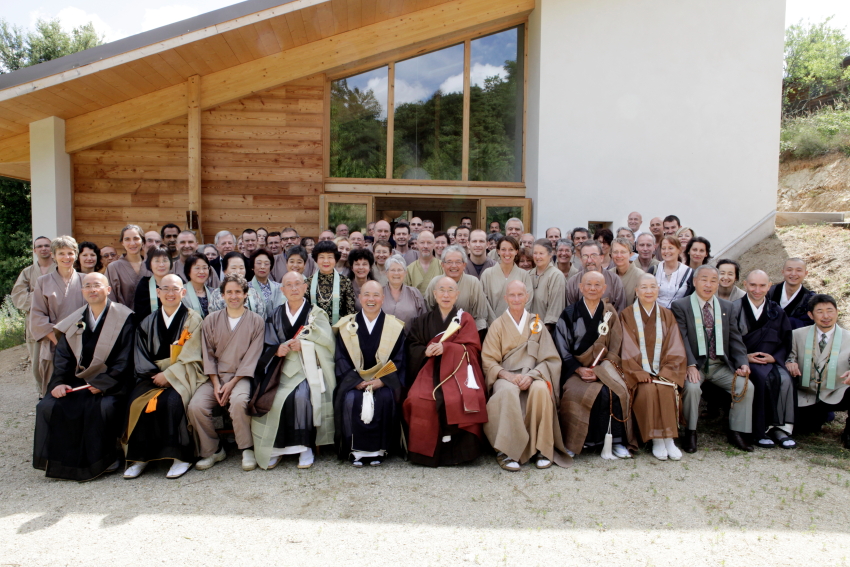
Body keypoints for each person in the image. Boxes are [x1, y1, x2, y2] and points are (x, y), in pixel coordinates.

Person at [33, 272, 135, 481]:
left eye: (97, 285)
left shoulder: (124, 317)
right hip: (77, 380)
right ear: (82, 291)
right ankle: (66, 460)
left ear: (108, 290)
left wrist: (104, 383)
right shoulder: (74, 320)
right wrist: (59, 382)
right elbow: (62, 356)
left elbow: (126, 358)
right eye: (87, 285)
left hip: (113, 381)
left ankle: (107, 457)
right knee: (49, 405)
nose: (91, 289)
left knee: (103, 406)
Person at [249, 271, 336, 470]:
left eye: (298, 284)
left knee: (301, 395)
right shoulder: (275, 314)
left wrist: (306, 346)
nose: (294, 288)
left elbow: (328, 344)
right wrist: (275, 350)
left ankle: (304, 447)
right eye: (289, 285)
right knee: (272, 397)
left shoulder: (316, 314)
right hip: (280, 368)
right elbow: (267, 343)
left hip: (308, 368)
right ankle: (275, 448)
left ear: (306, 287)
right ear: (283, 290)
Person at [123, 274, 206, 479]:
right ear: (158, 292)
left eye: (175, 289)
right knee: (136, 403)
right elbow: (140, 354)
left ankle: (180, 457)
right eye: (165, 289)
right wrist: (156, 375)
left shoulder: (193, 319)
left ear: (183, 293)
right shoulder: (148, 321)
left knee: (173, 401)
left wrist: (169, 375)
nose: (170, 293)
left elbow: (193, 354)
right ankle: (140, 457)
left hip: (185, 373)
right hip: (152, 375)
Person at [482, 280, 569, 470]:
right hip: (505, 376)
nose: (516, 299)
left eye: (520, 295)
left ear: (527, 297)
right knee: (507, 393)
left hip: (533, 374)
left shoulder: (536, 324)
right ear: (505, 298)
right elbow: (489, 360)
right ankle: (506, 451)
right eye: (512, 295)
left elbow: (550, 359)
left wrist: (533, 375)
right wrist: (508, 376)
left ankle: (542, 448)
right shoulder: (497, 325)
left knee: (540, 389)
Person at [404, 277, 488, 466]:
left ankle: (458, 453)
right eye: (441, 290)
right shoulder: (423, 320)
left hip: (457, 372)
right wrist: (424, 351)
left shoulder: (464, 319)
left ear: (457, 295)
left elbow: (472, 349)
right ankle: (426, 453)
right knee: (418, 398)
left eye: (451, 290)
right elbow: (411, 345)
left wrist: (448, 349)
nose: (446, 294)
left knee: (461, 397)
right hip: (429, 369)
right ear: (434, 294)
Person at [671, 265, 754, 453]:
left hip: (719, 364)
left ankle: (737, 432)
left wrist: (743, 363)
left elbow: (735, 338)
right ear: (695, 281)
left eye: (713, 280)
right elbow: (681, 339)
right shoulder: (681, 306)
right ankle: (690, 432)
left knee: (746, 386)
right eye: (704, 279)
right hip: (695, 365)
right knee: (691, 388)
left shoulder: (727, 307)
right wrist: (690, 364)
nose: (708, 285)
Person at [191, 274, 266, 472]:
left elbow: (252, 357)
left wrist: (231, 384)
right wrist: (216, 384)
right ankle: (212, 450)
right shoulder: (211, 320)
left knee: (239, 401)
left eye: (238, 292)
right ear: (222, 295)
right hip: (214, 376)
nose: (234, 296)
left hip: (240, 376)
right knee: (196, 406)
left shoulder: (256, 321)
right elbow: (207, 355)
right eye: (229, 292)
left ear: (245, 295)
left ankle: (246, 448)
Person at [556, 271, 633, 459]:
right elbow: (561, 346)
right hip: (576, 370)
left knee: (614, 392)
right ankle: (575, 442)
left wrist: (600, 371)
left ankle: (615, 442)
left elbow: (616, 346)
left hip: (604, 369)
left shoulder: (610, 314)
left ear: (604, 288)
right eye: (588, 284)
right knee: (575, 393)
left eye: (597, 285)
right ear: (580, 287)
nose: (592, 288)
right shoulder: (569, 313)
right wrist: (577, 368)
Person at [333, 281, 406, 466]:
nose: (371, 299)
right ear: (359, 298)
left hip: (383, 381)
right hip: (354, 381)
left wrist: (382, 381)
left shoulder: (394, 326)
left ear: (383, 298)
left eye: (375, 295)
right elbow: (341, 357)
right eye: (366, 294)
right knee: (351, 399)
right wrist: (355, 381)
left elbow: (399, 358)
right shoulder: (346, 325)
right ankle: (354, 450)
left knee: (385, 398)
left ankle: (380, 450)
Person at [619, 274, 687, 460]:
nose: (648, 291)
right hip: (639, 372)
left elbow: (675, 346)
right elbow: (626, 347)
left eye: (652, 287)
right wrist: (638, 371)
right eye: (644, 287)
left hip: (664, 370)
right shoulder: (626, 315)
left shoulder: (667, 314)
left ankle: (669, 439)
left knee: (664, 389)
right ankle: (657, 439)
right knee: (648, 390)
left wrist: (666, 372)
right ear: (637, 291)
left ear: (658, 290)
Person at [734, 270, 796, 449]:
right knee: (761, 379)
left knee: (785, 379)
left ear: (769, 286)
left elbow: (786, 340)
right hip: (745, 361)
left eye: (762, 285)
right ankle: (759, 431)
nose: (757, 289)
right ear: (745, 285)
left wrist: (774, 358)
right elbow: (727, 339)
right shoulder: (734, 308)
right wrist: (744, 357)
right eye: (753, 285)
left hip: (769, 359)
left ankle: (781, 429)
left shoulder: (776, 310)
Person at [786, 294, 850, 448]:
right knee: (806, 429)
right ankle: (817, 418)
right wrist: (790, 363)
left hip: (837, 392)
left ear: (837, 312)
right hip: (807, 394)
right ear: (811, 315)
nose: (826, 316)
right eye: (820, 311)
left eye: (830, 310)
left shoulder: (849, 337)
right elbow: (789, 357)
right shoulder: (797, 334)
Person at [30, 236, 86, 396]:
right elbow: (37, 316)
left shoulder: (85, 280)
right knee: (54, 390)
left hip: (82, 342)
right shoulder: (43, 282)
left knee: (79, 391)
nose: (66, 257)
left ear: (76, 255)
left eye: (70, 253)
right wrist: (59, 342)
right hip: (54, 344)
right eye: (61, 253)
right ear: (53, 255)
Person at [12, 236, 55, 395]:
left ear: (52, 249)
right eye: (40, 246)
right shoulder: (27, 272)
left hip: (57, 322)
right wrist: (42, 297)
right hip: (34, 324)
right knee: (37, 364)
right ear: (34, 250)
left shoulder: (59, 269)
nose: (43, 248)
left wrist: (36, 294)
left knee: (58, 361)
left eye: (47, 245)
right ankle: (42, 393)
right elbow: (18, 296)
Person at [424, 246, 491, 331]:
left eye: (458, 262)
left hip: (467, 331)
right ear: (443, 265)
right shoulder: (435, 282)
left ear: (464, 265)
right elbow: (428, 309)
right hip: (438, 331)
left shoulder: (473, 282)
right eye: (449, 262)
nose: (454, 266)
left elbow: (480, 316)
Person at [481, 235, 534, 323]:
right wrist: (494, 322)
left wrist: (516, 320)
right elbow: (483, 301)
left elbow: (528, 300)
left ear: (516, 251)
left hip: (517, 323)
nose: (507, 253)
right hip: (492, 325)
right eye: (503, 249)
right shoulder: (487, 274)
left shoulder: (524, 275)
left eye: (511, 249)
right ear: (498, 251)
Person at [565, 241, 626, 311]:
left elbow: (620, 310)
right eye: (585, 256)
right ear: (581, 259)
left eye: (594, 256)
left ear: (601, 258)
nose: (589, 260)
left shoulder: (614, 280)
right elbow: (570, 312)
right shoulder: (573, 282)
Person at [306, 240, 356, 325]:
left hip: (339, 330)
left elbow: (350, 312)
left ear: (336, 259)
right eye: (321, 257)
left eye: (330, 257)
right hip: (314, 331)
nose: (326, 261)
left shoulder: (345, 281)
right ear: (316, 259)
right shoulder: (308, 282)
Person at [208, 252, 266, 317]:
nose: (238, 271)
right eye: (233, 268)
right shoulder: (217, 294)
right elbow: (214, 319)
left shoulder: (253, 293)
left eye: (241, 268)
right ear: (224, 271)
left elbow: (261, 318)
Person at [106, 225, 151, 307]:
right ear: (122, 243)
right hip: (122, 317)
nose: (132, 243)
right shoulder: (114, 267)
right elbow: (110, 297)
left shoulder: (151, 266)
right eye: (127, 239)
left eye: (136, 238)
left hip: (149, 318)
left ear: (143, 242)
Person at [382, 255, 427, 333]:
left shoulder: (414, 293)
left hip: (410, 341)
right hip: (382, 341)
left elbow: (423, 320)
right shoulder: (379, 293)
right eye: (392, 270)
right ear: (386, 273)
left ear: (405, 273)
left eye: (399, 270)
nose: (396, 273)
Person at [529, 239, 565, 333]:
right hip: (528, 330)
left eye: (541, 253)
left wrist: (542, 332)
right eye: (535, 253)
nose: (537, 257)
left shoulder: (556, 276)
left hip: (546, 332)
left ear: (550, 254)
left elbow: (555, 311)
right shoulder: (528, 274)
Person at [768, 258, 815, 329]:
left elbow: (809, 326)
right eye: (789, 270)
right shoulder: (768, 292)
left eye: (798, 270)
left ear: (805, 273)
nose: (793, 274)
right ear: (783, 272)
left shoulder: (810, 299)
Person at [132, 245, 173, 325]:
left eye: (165, 260)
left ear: (170, 262)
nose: (161, 265)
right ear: (150, 264)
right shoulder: (144, 285)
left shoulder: (179, 282)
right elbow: (140, 315)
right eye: (157, 261)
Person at [654, 236, 692, 308]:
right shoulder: (654, 270)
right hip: (657, 314)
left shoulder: (689, 272)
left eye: (670, 248)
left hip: (679, 315)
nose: (666, 251)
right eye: (663, 248)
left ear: (679, 250)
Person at [609, 237, 645, 305]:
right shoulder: (608, 275)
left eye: (623, 252)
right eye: (615, 252)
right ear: (611, 254)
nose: (619, 255)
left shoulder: (640, 276)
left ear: (630, 254)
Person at [250, 249, 284, 315]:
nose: (262, 267)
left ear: (270, 266)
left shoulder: (279, 287)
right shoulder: (246, 288)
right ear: (252, 266)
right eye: (259, 263)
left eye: (266, 264)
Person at [182, 254, 214, 318]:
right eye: (197, 268)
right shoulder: (181, 292)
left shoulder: (214, 292)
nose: (201, 271)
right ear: (188, 270)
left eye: (205, 268)